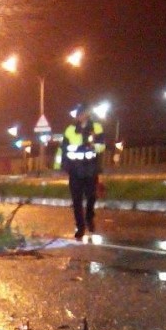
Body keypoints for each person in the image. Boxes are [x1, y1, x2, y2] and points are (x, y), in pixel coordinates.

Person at [56, 103, 106, 240]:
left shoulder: (96, 127)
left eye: (83, 113)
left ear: (87, 114)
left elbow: (102, 146)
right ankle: (80, 226)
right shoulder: (70, 129)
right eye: (79, 114)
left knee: (91, 196)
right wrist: (62, 165)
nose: (81, 116)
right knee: (76, 200)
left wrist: (91, 146)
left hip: (90, 168)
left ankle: (89, 217)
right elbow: (63, 148)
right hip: (75, 170)